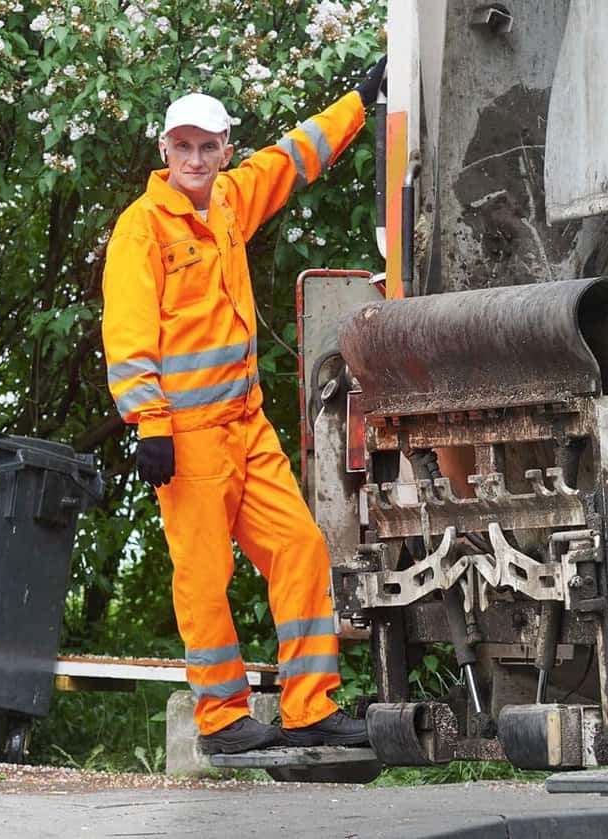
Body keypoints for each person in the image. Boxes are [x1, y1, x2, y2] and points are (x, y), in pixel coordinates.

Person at [101, 58, 387, 755]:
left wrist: (358, 101)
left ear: (226, 149)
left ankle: (310, 705)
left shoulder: (229, 200)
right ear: (164, 152)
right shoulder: (142, 229)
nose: (195, 159)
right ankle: (223, 717)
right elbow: (130, 336)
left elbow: (294, 158)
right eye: (183, 147)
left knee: (300, 546)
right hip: (186, 437)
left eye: (208, 146)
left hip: (246, 428)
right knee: (205, 576)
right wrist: (149, 424)